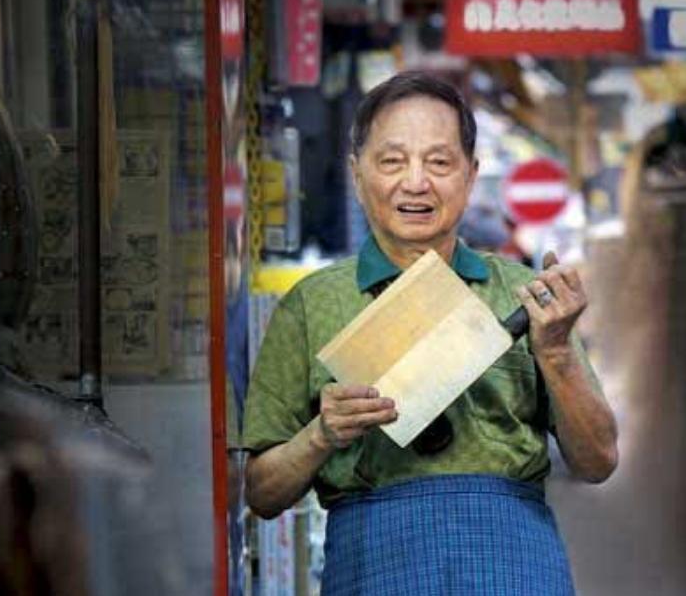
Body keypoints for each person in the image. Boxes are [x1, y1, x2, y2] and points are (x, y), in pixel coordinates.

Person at [243, 71, 618, 596]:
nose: (415, 182)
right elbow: (262, 494)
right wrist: (321, 435)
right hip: (372, 565)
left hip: (516, 567)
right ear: (357, 174)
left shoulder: (524, 295)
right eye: (392, 161)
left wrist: (555, 353)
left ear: (470, 175)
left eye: (439, 162)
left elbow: (598, 461)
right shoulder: (311, 305)